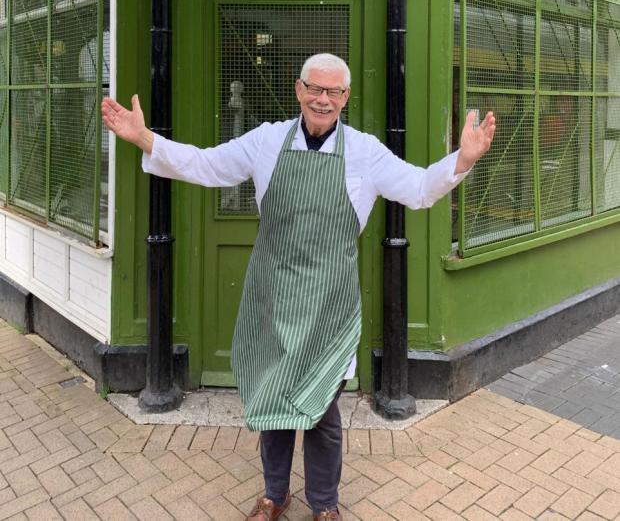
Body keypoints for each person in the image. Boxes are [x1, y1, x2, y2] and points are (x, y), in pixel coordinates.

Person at [101, 53, 495, 521]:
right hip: (273, 299)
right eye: (315, 88)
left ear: (346, 97)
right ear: (299, 90)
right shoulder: (266, 140)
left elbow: (417, 188)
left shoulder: (365, 153)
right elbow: (207, 165)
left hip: (330, 306)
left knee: (323, 412)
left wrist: (463, 160)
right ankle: (275, 496)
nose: (323, 99)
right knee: (274, 400)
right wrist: (144, 139)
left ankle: (325, 505)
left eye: (333, 92)